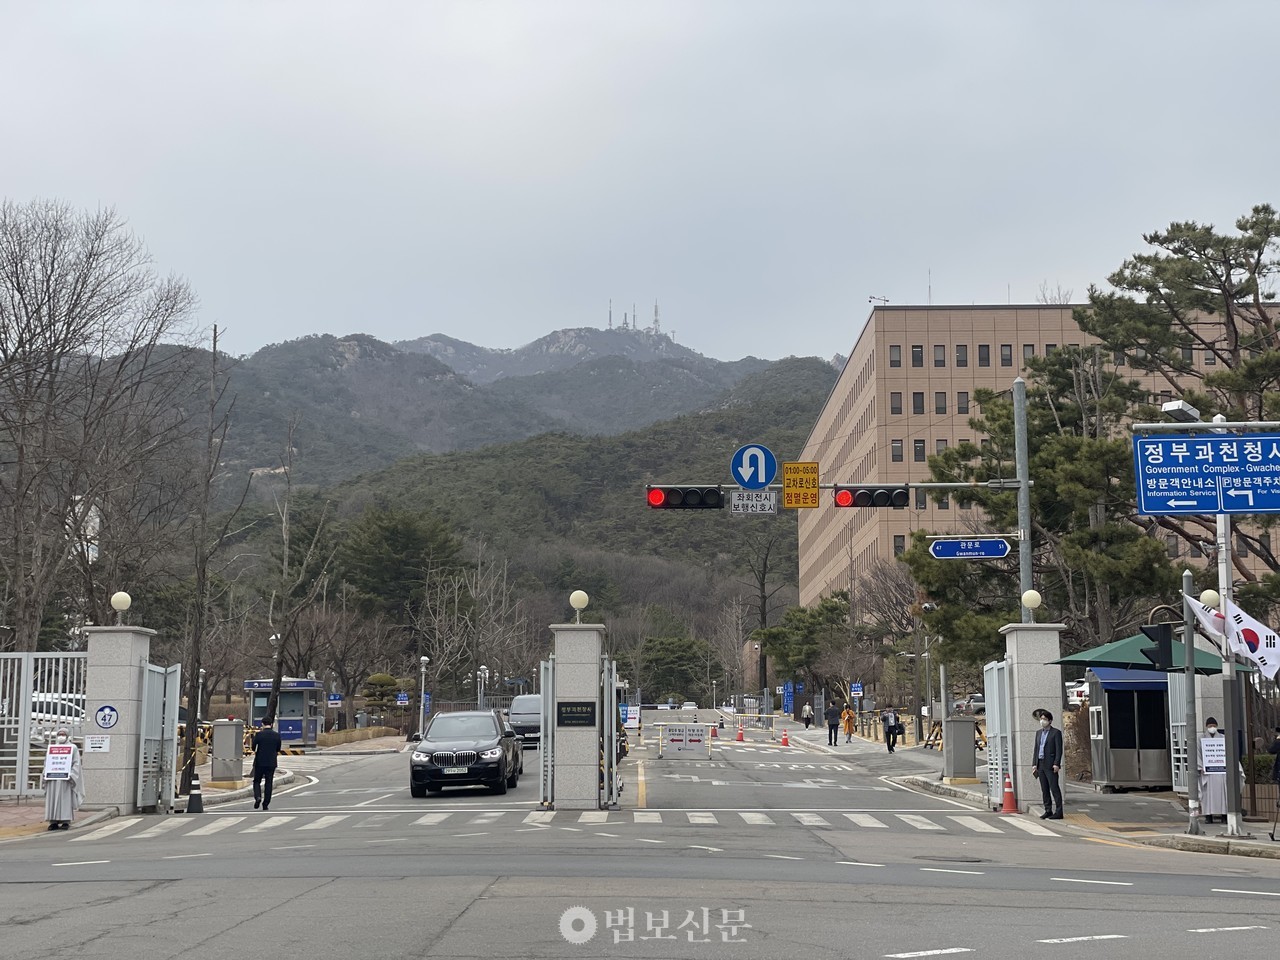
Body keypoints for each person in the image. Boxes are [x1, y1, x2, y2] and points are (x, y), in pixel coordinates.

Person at [43, 728, 84, 831]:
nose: (61, 736)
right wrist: (45, 773)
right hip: (53, 779)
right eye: (59, 734)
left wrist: (71, 775)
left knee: (65, 800)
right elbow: (47, 762)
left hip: (65, 779)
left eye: (63, 734)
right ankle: (53, 822)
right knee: (52, 799)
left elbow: (76, 763)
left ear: (67, 735)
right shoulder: (52, 748)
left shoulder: (72, 748)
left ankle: (66, 821)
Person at [1032, 709, 1064, 819]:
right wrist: (1034, 764)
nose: (1042, 721)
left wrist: (1057, 763)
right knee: (1044, 789)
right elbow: (1036, 749)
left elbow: (1059, 750)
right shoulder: (1038, 733)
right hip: (1040, 763)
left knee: (1054, 788)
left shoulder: (1056, 733)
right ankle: (1048, 810)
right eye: (1041, 719)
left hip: (1050, 764)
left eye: (1044, 719)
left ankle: (1059, 811)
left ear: (1050, 721)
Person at [1199, 717, 1228, 824]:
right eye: (1210, 726)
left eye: (1214, 726)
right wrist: (1200, 766)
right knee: (1207, 795)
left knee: (1223, 795)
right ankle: (1208, 816)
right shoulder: (1201, 738)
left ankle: (1224, 815)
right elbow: (1197, 754)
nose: (1212, 728)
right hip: (1208, 772)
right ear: (1206, 727)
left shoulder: (1223, 738)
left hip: (1221, 771)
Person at [251, 718, 283, 811]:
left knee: (257, 781)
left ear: (262, 724)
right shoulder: (277, 735)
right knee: (268, 783)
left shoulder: (259, 735)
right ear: (272, 724)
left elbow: (253, 748)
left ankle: (258, 797)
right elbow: (278, 748)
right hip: (271, 762)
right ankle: (266, 804)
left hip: (260, 762)